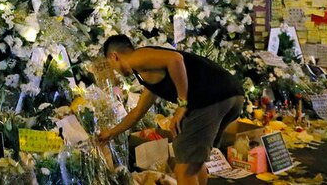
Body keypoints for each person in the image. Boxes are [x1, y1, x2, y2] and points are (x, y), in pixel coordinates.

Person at [97, 35, 243, 185]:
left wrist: (182, 104)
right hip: (231, 96)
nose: (114, 71)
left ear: (114, 56)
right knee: (194, 162)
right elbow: (137, 112)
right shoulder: (149, 74)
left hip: (212, 97)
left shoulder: (136, 58)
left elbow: (175, 59)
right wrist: (111, 133)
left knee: (183, 165)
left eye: (110, 64)